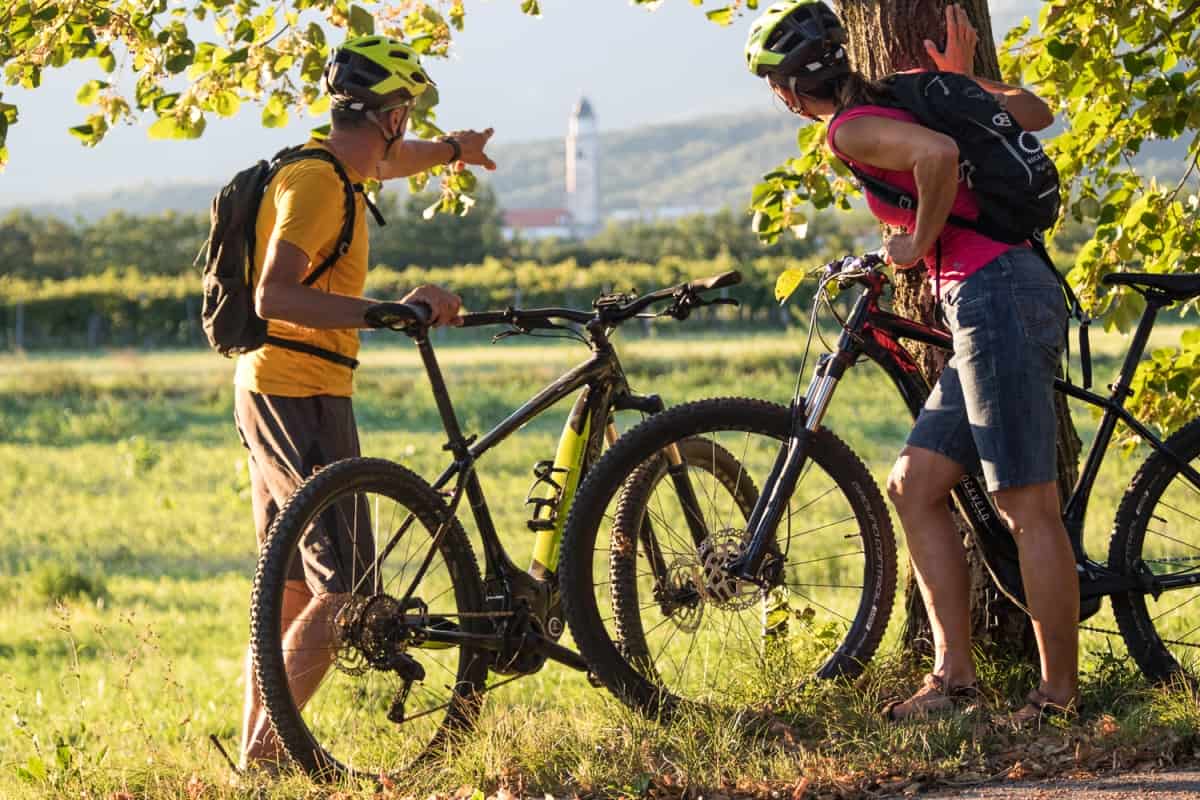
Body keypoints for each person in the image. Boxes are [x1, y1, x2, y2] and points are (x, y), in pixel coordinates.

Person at [745, 1, 1077, 724]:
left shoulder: (848, 127)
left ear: (788, 89)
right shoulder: (906, 89)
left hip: (998, 295)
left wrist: (913, 243)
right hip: (992, 295)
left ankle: (1058, 700)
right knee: (914, 485)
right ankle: (953, 677)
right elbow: (1037, 109)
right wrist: (962, 84)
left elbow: (939, 158)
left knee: (1026, 506)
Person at [233, 35, 496, 770]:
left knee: (286, 586)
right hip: (301, 394)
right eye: (407, 115)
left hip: (276, 388)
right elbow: (275, 293)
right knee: (346, 588)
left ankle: (257, 755)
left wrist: (453, 152)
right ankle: (266, 758)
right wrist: (388, 311)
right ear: (393, 113)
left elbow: (387, 162)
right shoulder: (319, 187)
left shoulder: (330, 165)